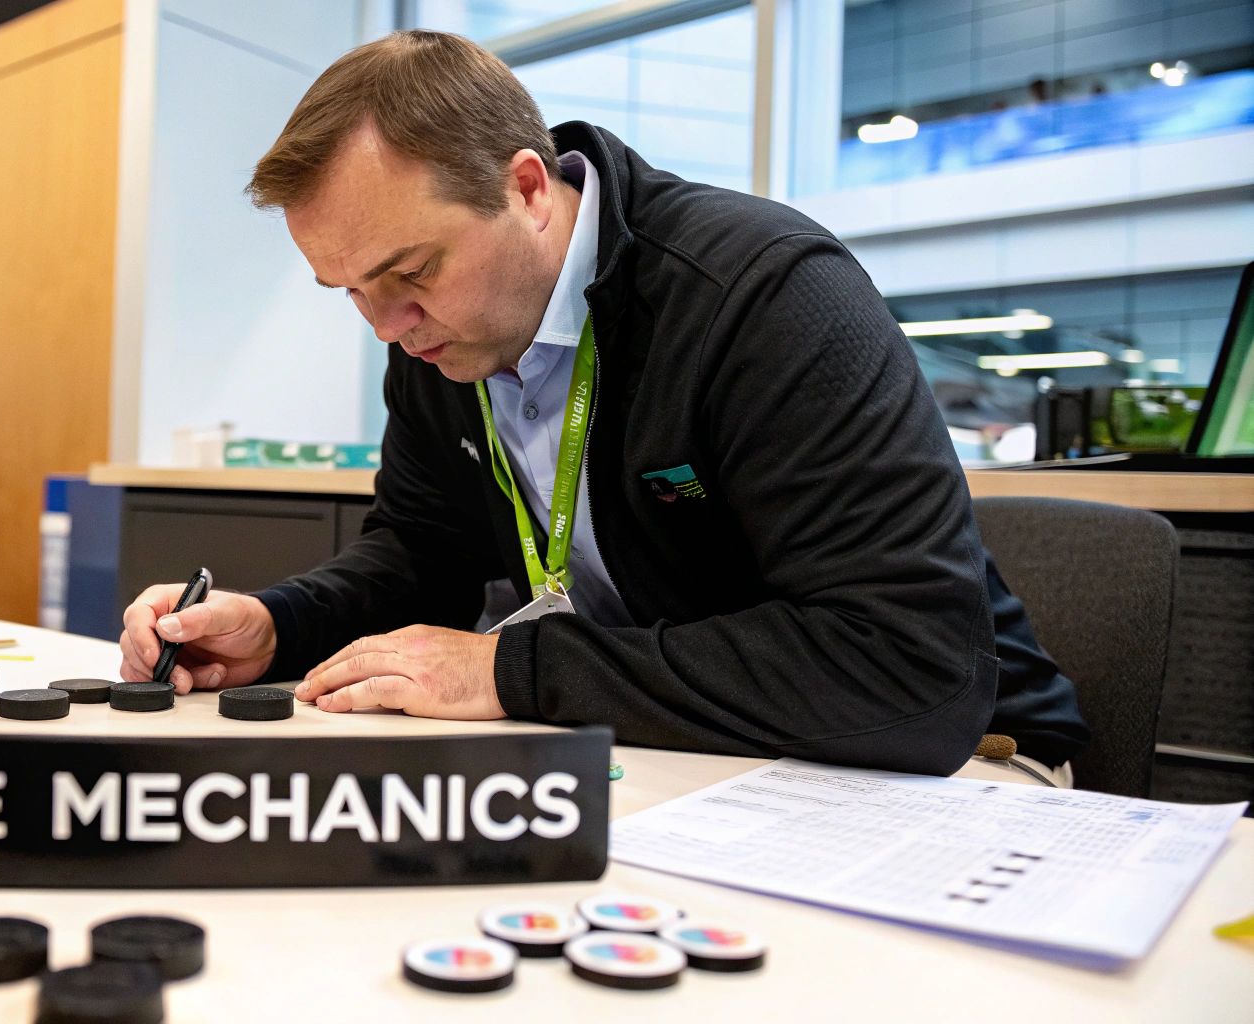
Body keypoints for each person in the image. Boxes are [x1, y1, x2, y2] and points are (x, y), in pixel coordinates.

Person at [119, 31, 1088, 778]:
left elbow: (902, 670)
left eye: (407, 272)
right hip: (703, 752)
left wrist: (509, 671)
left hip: (958, 761)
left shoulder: (757, 293)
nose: (385, 325)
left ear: (527, 187)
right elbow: (420, 556)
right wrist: (277, 625)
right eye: (351, 292)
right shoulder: (437, 335)